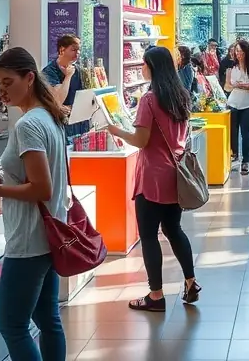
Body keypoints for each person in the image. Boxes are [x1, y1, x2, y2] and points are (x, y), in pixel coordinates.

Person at [0, 47, 68, 361]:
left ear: (29, 78)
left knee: (13, 327)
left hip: (28, 240)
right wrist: (5, 181)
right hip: (50, 235)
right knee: (48, 320)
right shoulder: (49, 116)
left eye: (7, 82)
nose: (1, 91)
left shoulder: (28, 125)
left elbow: (41, 188)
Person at [103, 46, 201, 312]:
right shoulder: (181, 95)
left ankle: (155, 295)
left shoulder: (149, 99)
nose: (141, 68)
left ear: (152, 67)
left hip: (151, 178)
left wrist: (115, 130)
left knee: (148, 235)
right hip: (175, 175)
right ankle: (190, 281)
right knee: (173, 229)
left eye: (143, 64)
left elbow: (141, 140)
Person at [226, 40, 249, 175]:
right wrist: (235, 86)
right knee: (233, 133)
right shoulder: (231, 68)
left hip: (248, 104)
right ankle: (234, 156)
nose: (239, 54)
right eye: (237, 51)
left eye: (241, 51)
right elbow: (227, 86)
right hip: (233, 103)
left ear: (246, 52)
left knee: (246, 134)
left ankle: (245, 161)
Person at [41, 34, 81, 115]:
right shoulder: (48, 72)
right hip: (59, 121)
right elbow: (58, 100)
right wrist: (68, 77)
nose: (77, 53)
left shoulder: (78, 70)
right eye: (74, 50)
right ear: (62, 50)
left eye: (79, 50)